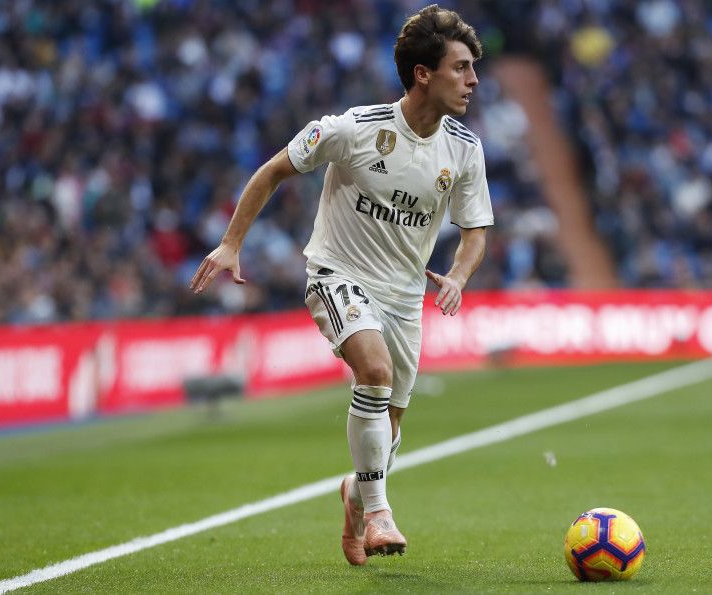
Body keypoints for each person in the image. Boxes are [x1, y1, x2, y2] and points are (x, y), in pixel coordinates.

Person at [189, 4, 492, 565]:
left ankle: (358, 492)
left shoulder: (464, 149)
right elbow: (274, 169)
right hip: (337, 272)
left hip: (404, 299)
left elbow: (475, 231)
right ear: (423, 73)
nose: (473, 79)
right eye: (461, 67)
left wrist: (458, 274)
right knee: (373, 372)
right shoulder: (354, 128)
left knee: (389, 431)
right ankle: (378, 510)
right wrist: (232, 242)